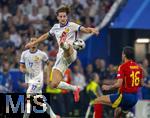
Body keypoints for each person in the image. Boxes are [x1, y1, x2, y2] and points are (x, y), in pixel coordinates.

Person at [25, 6, 99, 102]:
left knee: (66, 46)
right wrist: (34, 43)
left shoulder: (72, 25)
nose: (63, 18)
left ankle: (64, 44)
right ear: (57, 17)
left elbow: (84, 29)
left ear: (67, 17)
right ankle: (75, 89)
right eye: (61, 16)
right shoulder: (55, 28)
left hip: (71, 53)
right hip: (61, 58)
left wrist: (92, 30)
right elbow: (45, 36)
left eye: (64, 16)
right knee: (53, 84)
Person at [94, 46, 143, 117]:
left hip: (125, 97)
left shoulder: (122, 66)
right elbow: (141, 84)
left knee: (97, 100)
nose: (122, 55)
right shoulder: (139, 67)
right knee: (118, 111)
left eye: (122, 54)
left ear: (124, 55)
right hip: (134, 98)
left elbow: (118, 84)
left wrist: (108, 87)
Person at [20, 38, 60, 118]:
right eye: (32, 41)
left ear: (37, 43)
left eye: (35, 41)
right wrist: (25, 70)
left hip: (38, 79)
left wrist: (48, 77)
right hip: (29, 80)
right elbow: (21, 67)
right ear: (29, 43)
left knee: (28, 96)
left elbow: (49, 64)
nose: (33, 43)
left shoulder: (42, 54)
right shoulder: (24, 54)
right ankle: (53, 116)